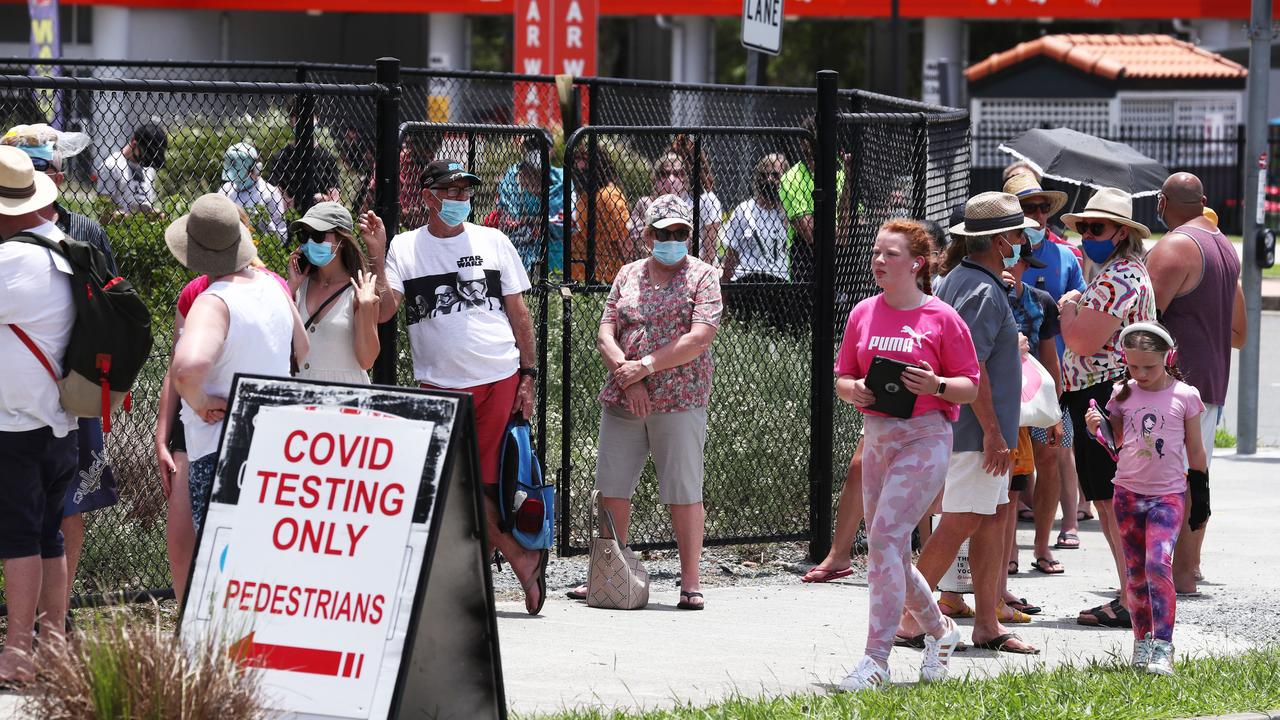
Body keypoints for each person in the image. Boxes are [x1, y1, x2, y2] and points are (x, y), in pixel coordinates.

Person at [374, 159, 547, 615]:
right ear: (428, 196)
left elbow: (519, 313)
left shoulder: (494, 241)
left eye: (465, 192)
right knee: (455, 487)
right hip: (440, 386)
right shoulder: (404, 248)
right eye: (450, 192)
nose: (459, 201)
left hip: (500, 378)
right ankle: (518, 556)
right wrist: (375, 257)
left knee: (484, 486)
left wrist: (528, 377)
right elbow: (382, 312)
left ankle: (481, 578)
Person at [831, 219, 977, 691]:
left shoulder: (942, 317)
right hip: (879, 437)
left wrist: (934, 384)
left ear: (916, 263)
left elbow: (969, 385)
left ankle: (876, 660)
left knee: (885, 539)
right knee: (888, 547)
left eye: (889, 254)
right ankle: (941, 633)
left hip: (926, 436)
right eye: (876, 252)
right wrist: (854, 390)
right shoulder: (863, 313)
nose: (879, 261)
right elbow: (843, 377)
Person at [899, 191, 1040, 655]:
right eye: (1018, 234)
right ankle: (906, 619)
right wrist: (996, 435)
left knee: (992, 519)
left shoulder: (964, 279)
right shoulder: (981, 290)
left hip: (973, 430)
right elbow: (970, 369)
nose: (1023, 241)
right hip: (977, 434)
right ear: (1001, 241)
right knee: (960, 521)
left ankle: (986, 624)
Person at [573, 194, 721, 611]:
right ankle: (608, 573)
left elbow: (699, 337)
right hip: (624, 396)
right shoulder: (627, 274)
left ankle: (690, 582)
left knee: (682, 488)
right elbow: (606, 329)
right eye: (663, 232)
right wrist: (629, 375)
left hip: (679, 398)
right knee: (612, 488)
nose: (671, 239)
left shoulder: (703, 276)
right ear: (647, 235)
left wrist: (646, 368)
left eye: (680, 233)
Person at [4, 123, 123, 609]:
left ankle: (56, 614)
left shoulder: (83, 230)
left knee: (66, 507)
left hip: (72, 387)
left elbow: (110, 303)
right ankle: (46, 621)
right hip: (51, 392)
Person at [168, 194, 308, 537]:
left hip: (221, 451)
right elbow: (302, 349)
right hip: (274, 445)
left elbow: (185, 368)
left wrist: (200, 402)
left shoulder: (212, 301)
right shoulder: (273, 287)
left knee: (221, 561)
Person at [1057, 187, 1156, 629]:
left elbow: (1081, 341)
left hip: (1103, 395)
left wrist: (1068, 309)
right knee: (1110, 499)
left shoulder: (1118, 278)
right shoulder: (1121, 272)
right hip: (1109, 393)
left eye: (1096, 228)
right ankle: (1132, 593)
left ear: (1120, 233)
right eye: (1083, 228)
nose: (1086, 236)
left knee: (1110, 499)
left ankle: (1131, 597)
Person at [1084, 322, 1208, 675]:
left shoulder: (1186, 396)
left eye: (1149, 367)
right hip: (1126, 493)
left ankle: (1163, 647)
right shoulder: (1123, 392)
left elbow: (1196, 451)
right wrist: (1097, 427)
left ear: (1168, 358)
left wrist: (1201, 494)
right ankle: (1142, 643)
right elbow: (1116, 443)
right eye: (1133, 366)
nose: (1141, 374)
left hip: (1167, 496)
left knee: (1158, 565)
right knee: (1134, 574)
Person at [1145, 172, 1246, 595]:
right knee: (1196, 478)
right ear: (1202, 200)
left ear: (1162, 204)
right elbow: (1239, 333)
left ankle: (1175, 575)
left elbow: (1139, 325)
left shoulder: (1174, 247)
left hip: (1176, 387)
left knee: (1172, 484)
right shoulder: (1224, 246)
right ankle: (1190, 568)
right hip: (1211, 381)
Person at [0, 146, 77, 684]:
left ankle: (17, 653)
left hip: (17, 422)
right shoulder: (67, 245)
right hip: (62, 420)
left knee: (19, 537)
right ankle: (52, 647)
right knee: (49, 534)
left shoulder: (13, 261)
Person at [1005, 172, 1087, 552]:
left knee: (1056, 452)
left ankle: (1060, 529)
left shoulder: (1064, 255)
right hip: (1008, 385)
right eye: (1028, 207)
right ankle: (1008, 551)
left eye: (1042, 207)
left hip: (1050, 374)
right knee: (1013, 467)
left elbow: (1080, 302)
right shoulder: (995, 262)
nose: (1038, 215)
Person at [1000, 240, 1063, 590]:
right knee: (1013, 474)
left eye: (1016, 260)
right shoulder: (990, 295)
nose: (1010, 265)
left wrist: (1056, 410)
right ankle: (1010, 550)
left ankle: (1042, 545)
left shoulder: (1042, 302)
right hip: (1008, 401)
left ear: (1025, 264)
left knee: (1050, 459)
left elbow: (1051, 358)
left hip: (1039, 398)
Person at [285, 202, 383, 384]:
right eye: (305, 235)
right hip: (298, 395)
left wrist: (366, 307)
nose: (310, 242)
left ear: (342, 240)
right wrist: (290, 287)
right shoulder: (299, 284)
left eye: (319, 235)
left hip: (345, 399)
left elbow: (366, 360)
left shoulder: (361, 290)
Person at [721, 153, 792, 327]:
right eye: (763, 175)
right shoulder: (744, 210)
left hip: (778, 282)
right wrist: (723, 298)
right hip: (747, 281)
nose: (769, 180)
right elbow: (731, 257)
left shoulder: (789, 214)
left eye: (775, 175)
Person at [628, 152, 721, 266]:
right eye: (664, 174)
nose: (671, 179)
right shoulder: (644, 204)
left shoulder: (692, 206)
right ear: (655, 179)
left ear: (685, 179)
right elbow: (636, 244)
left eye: (678, 174)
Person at [568, 142, 630, 285]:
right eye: (576, 159)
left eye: (584, 159)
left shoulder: (608, 195)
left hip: (609, 278)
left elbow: (623, 239)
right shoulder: (584, 196)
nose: (579, 165)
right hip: (584, 275)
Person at [495, 149, 565, 274]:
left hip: (553, 245)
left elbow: (562, 220)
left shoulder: (559, 178)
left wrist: (531, 221)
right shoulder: (513, 178)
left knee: (554, 278)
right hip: (521, 244)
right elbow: (510, 218)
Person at [266, 111, 341, 213]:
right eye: (299, 117)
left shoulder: (327, 158)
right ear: (291, 121)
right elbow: (276, 192)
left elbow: (335, 197)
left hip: (320, 215)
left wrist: (325, 199)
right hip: (291, 217)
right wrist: (284, 202)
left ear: (317, 119)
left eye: (308, 117)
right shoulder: (280, 157)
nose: (304, 122)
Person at [96, 122, 167, 222]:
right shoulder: (111, 166)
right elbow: (102, 215)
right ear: (134, 144)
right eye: (146, 154)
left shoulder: (149, 169)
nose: (148, 160)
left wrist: (154, 214)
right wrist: (128, 218)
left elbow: (147, 204)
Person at [219, 142, 288, 241]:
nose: (233, 170)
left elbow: (281, 232)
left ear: (255, 169)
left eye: (238, 166)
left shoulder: (269, 193)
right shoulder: (225, 189)